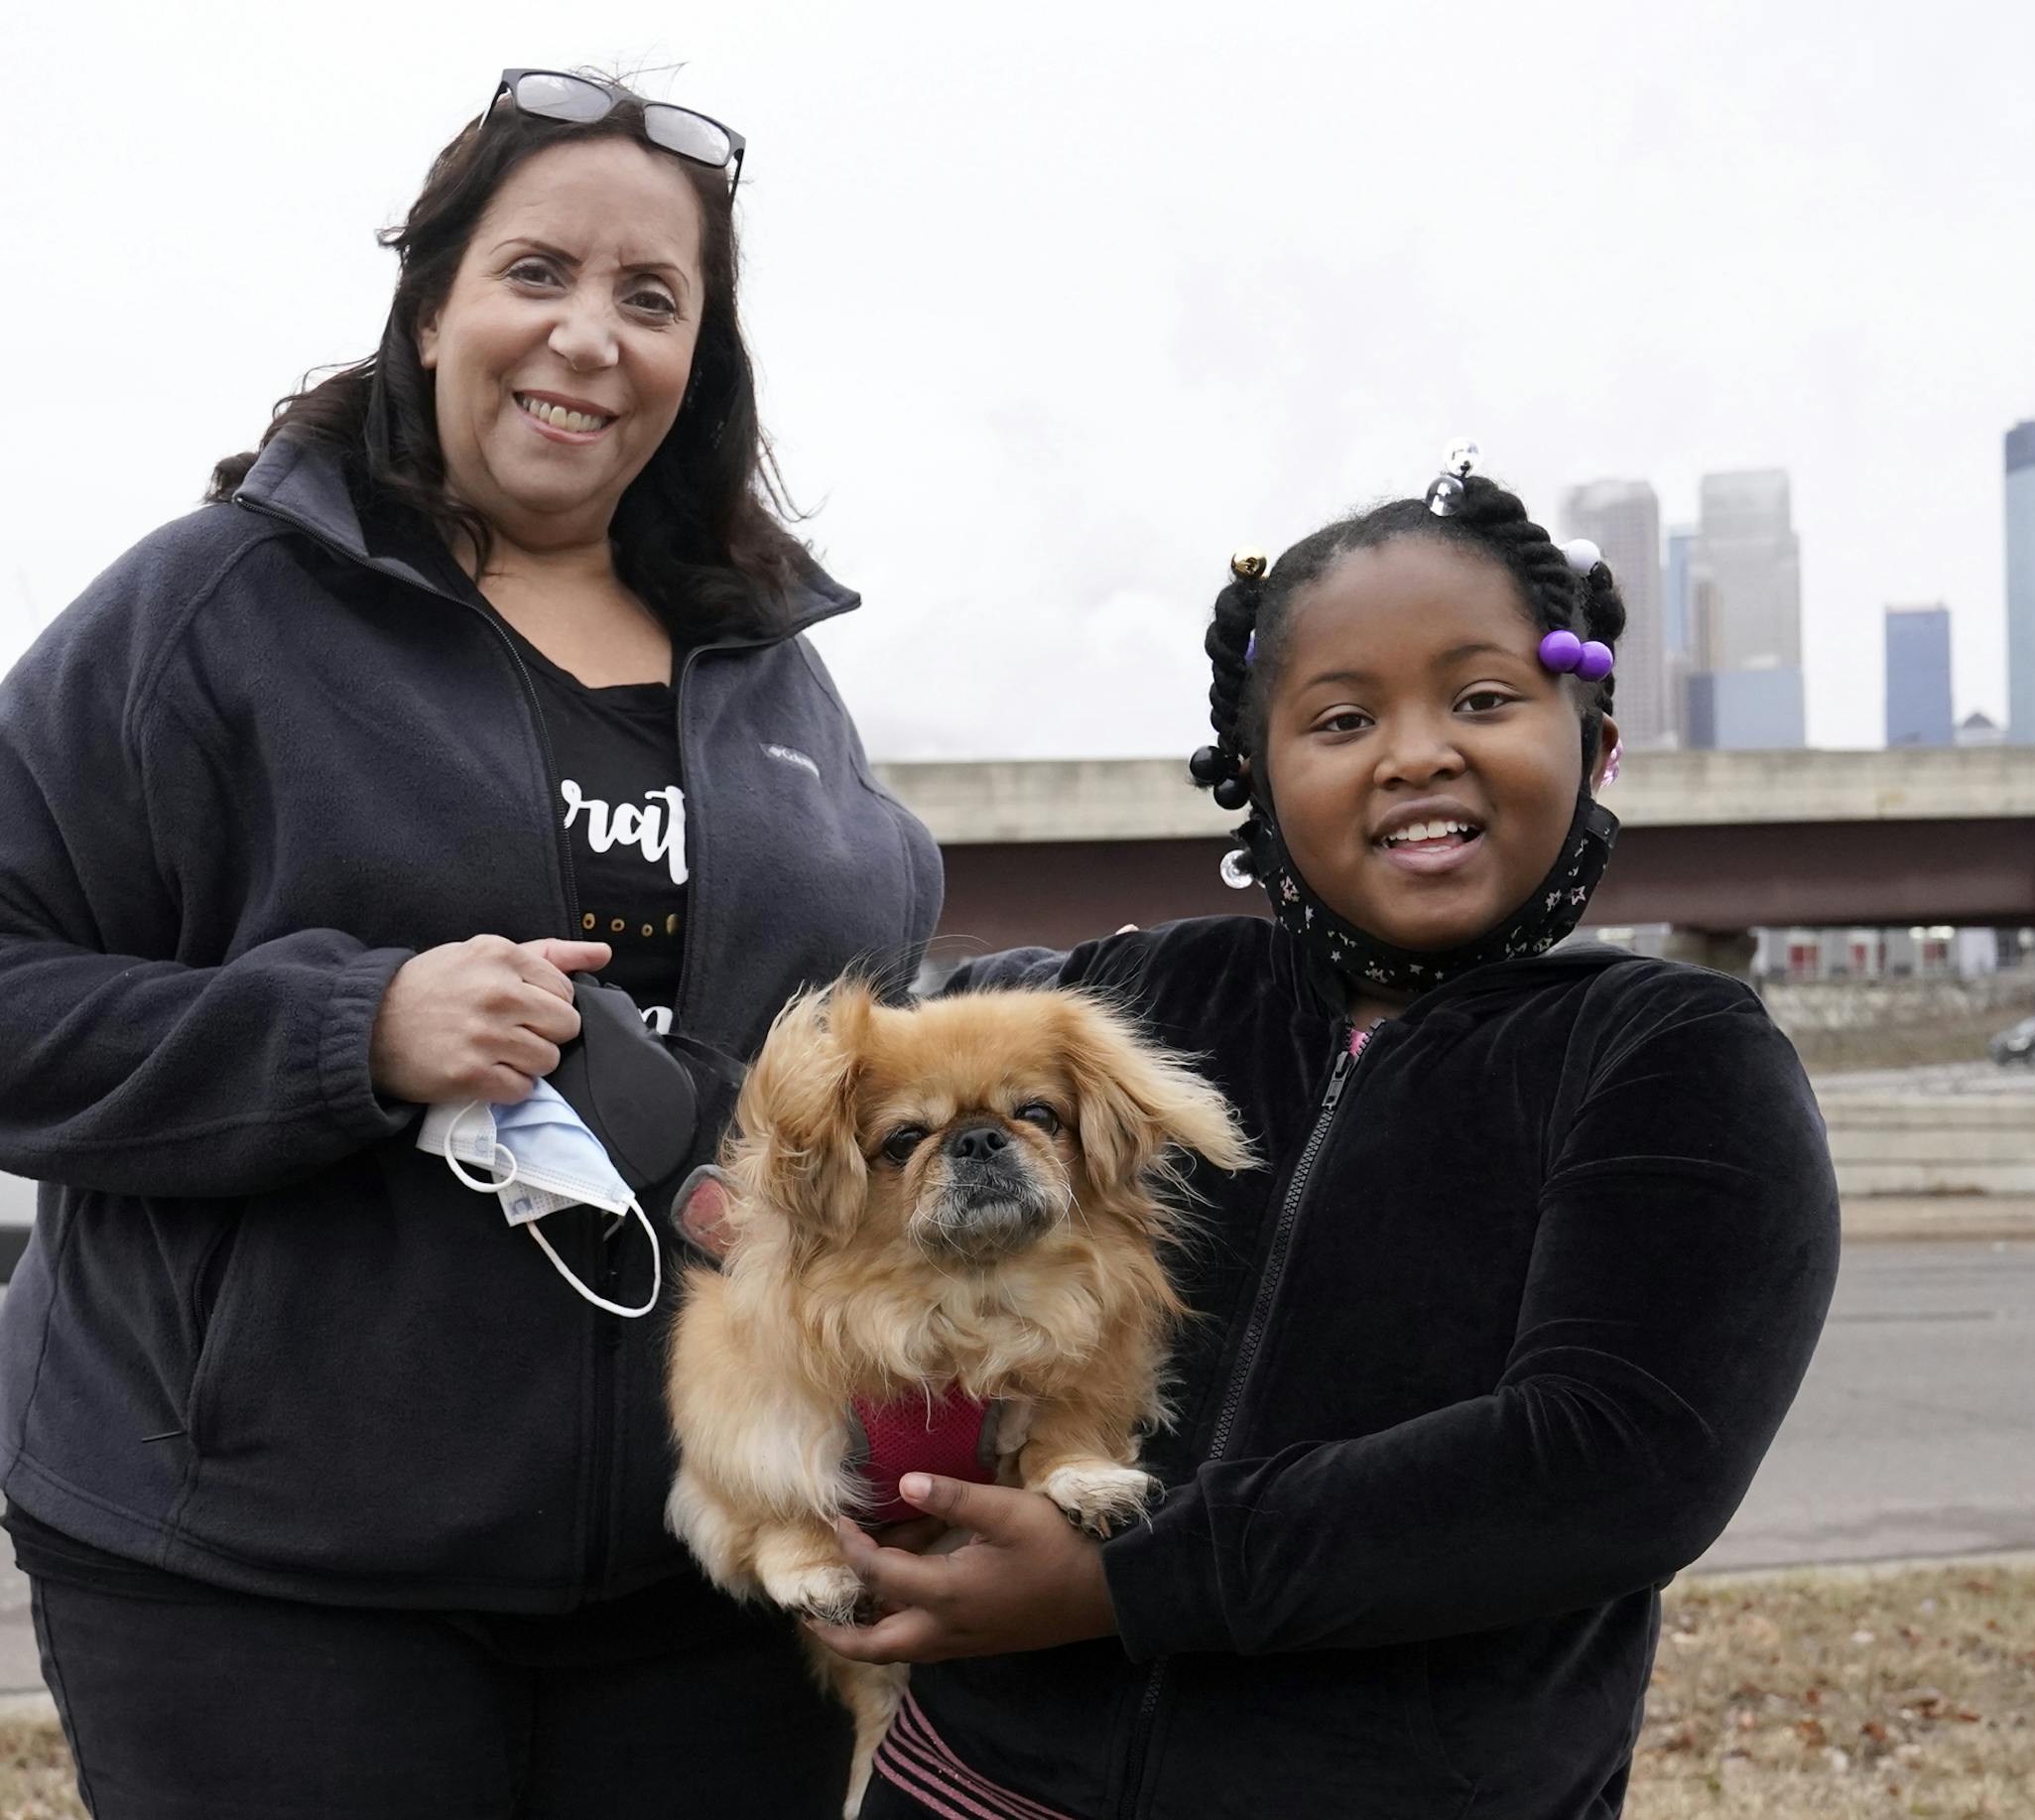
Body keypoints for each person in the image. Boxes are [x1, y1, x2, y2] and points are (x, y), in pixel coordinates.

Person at [0, 69, 939, 1818]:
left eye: (651, 299)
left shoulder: (770, 669)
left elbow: (870, 1070)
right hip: (265, 1577)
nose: (589, 336)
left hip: (711, 1576)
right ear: (434, 305)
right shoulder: (217, 609)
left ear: (697, 361)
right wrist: (347, 1031)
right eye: (538, 274)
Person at [811, 451, 1841, 1819]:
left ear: (1591, 743)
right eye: (1343, 719)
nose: (1418, 750)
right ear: (1258, 775)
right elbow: (823, 1118)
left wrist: (1127, 1579)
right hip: (979, 1786)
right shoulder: (1117, 1009)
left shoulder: (1674, 1054)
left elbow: (1607, 1461)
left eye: (1481, 698)